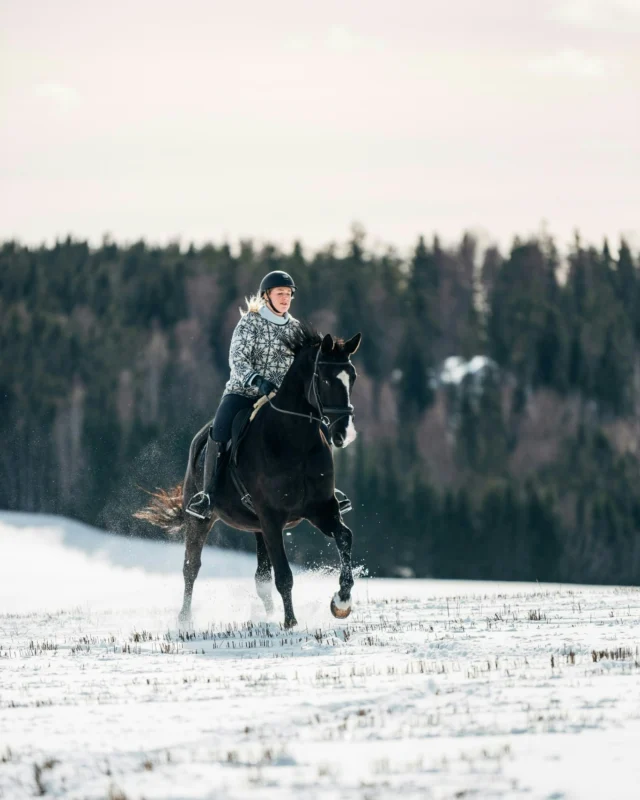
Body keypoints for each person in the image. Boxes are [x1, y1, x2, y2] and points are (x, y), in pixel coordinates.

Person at [186, 270, 351, 520]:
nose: (285, 298)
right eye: (280, 293)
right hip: (244, 392)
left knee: (321, 429)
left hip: (283, 401)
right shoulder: (250, 322)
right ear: (267, 296)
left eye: (288, 294)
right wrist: (258, 381)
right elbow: (237, 359)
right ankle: (208, 495)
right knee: (219, 429)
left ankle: (328, 491)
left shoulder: (296, 328)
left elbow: (313, 364)